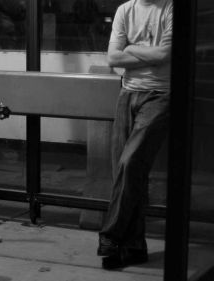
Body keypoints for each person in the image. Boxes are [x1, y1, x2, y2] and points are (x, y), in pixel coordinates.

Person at [98, 0, 173, 269]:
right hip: (127, 93)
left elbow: (165, 55)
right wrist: (143, 53)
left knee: (130, 164)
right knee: (127, 171)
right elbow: (113, 58)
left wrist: (130, 48)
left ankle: (111, 236)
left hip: (161, 95)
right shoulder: (125, 9)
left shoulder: (171, 7)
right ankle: (135, 246)